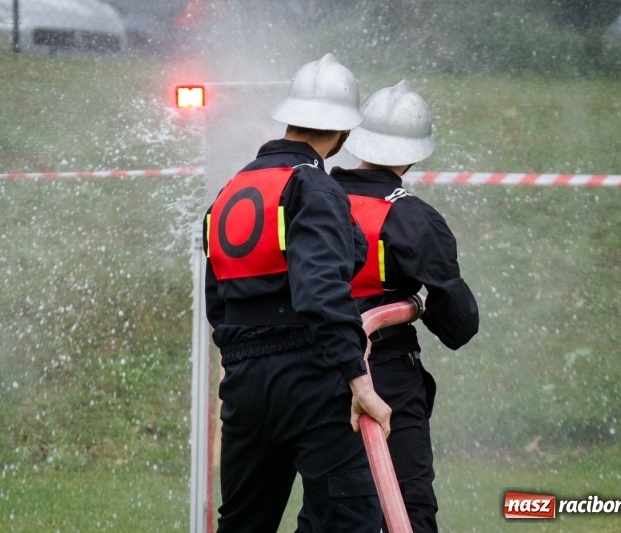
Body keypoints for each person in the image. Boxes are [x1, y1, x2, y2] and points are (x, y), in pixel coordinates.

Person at [203, 53, 391, 533]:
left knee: (244, 521)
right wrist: (358, 379)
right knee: (349, 520)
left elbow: (216, 299)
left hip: (243, 382)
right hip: (310, 376)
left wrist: (247, 364)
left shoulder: (230, 189)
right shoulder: (315, 188)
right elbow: (320, 291)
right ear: (344, 133)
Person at [331, 80, 480, 533]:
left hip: (308, 368)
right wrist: (421, 305)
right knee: (407, 506)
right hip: (385, 373)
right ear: (416, 153)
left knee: (331, 509)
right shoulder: (412, 216)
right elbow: (459, 324)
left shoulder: (314, 197)